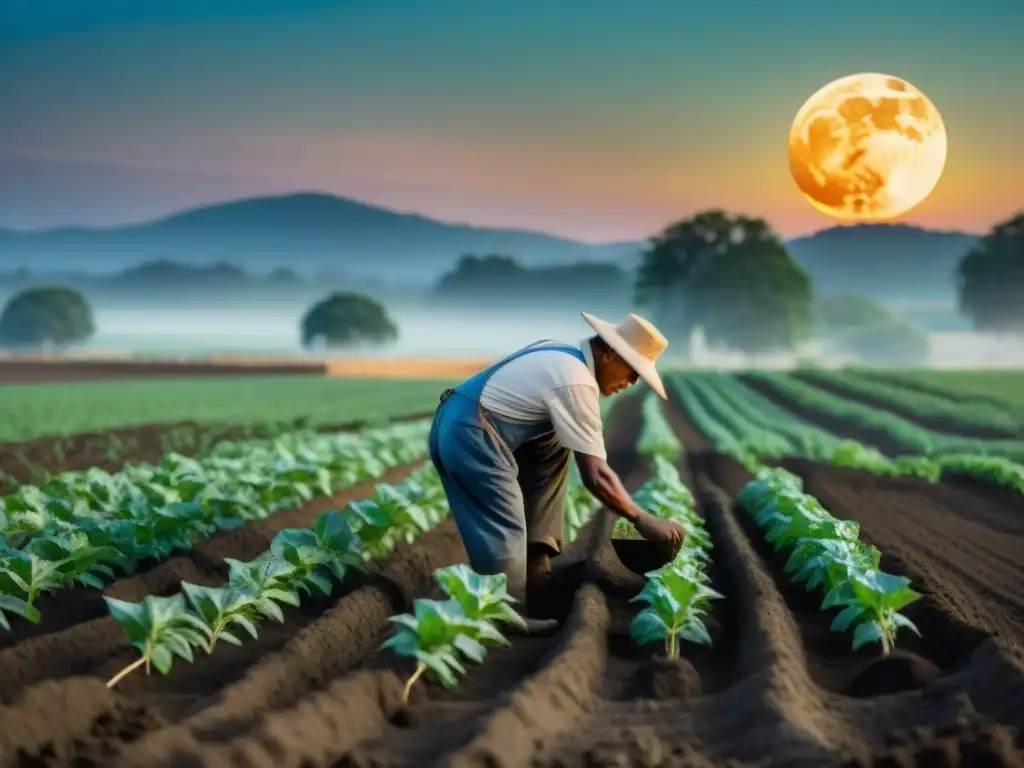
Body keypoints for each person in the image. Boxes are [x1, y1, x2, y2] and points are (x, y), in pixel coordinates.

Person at [428, 312, 687, 634]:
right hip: (472, 433)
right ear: (607, 353)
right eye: (632, 372)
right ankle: (504, 615)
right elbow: (597, 475)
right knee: (503, 525)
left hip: (460, 421)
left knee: (556, 446)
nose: (631, 384)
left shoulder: (561, 354)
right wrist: (640, 518)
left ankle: (537, 573)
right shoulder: (576, 381)